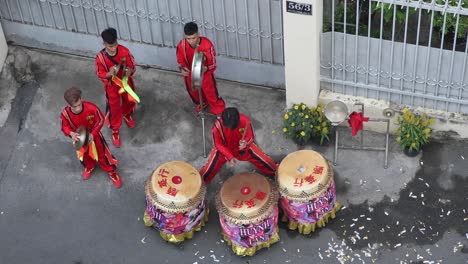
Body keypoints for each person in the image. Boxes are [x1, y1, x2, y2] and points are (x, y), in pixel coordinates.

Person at [60, 87, 122, 188]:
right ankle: (89, 167)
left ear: (81, 99)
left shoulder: (91, 107)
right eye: (74, 107)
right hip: (80, 139)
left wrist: (93, 133)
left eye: (79, 104)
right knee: (84, 157)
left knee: (103, 155)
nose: (78, 108)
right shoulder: (65, 114)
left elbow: (101, 120)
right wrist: (71, 133)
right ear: (68, 105)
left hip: (95, 136)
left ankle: (111, 171)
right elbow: (64, 126)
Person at [200, 107, 278, 184]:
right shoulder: (217, 127)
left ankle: (277, 172)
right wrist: (229, 156)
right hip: (225, 149)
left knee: (265, 160)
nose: (230, 128)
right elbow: (218, 144)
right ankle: (198, 184)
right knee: (208, 169)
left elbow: (250, 136)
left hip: (243, 148)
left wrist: (246, 143)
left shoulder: (245, 121)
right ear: (223, 121)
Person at [95, 27, 137, 148]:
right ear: (104, 44)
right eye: (110, 47)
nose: (113, 49)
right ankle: (115, 130)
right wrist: (109, 73)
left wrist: (129, 71)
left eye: (114, 45)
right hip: (111, 86)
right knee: (114, 108)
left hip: (125, 81)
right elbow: (99, 74)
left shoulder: (124, 51)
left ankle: (127, 114)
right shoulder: (100, 58)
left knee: (130, 100)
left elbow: (132, 65)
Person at [176, 22, 226, 116]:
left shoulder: (207, 45)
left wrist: (205, 69)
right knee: (194, 92)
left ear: (198, 34)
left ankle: (219, 111)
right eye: (188, 38)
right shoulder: (182, 45)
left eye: (193, 38)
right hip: (190, 73)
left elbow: (213, 64)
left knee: (211, 93)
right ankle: (202, 103)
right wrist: (182, 69)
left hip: (205, 75)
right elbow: (180, 60)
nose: (191, 41)